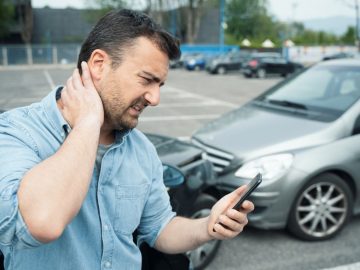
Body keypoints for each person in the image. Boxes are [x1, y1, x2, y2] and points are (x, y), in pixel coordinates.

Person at [0, 9, 254, 270]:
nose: (155, 99)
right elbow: (42, 222)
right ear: (99, 64)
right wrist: (89, 122)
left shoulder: (141, 149)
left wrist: (208, 226)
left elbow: (159, 228)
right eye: (146, 79)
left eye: (159, 85)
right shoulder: (16, 131)